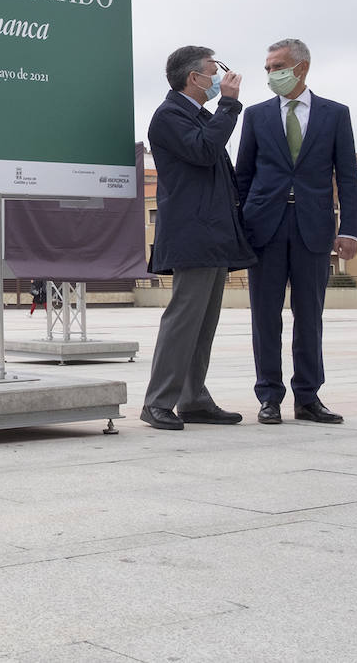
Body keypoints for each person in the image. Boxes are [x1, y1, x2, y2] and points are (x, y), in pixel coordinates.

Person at [236, 38, 357, 425]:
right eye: (268, 68)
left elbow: (349, 177)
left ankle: (308, 397)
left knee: (310, 316)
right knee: (265, 317)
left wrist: (350, 230)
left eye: (278, 66)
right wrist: (240, 227)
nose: (271, 74)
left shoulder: (335, 114)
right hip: (264, 228)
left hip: (314, 228)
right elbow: (243, 175)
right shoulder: (255, 115)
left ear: (301, 67)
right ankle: (269, 397)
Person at [141, 47, 255, 430]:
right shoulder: (169, 116)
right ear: (194, 78)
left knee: (203, 324)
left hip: (213, 235)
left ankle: (193, 398)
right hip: (193, 234)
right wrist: (230, 104)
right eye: (215, 70)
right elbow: (205, 152)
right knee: (183, 320)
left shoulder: (196, 115)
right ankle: (158, 402)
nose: (221, 77)